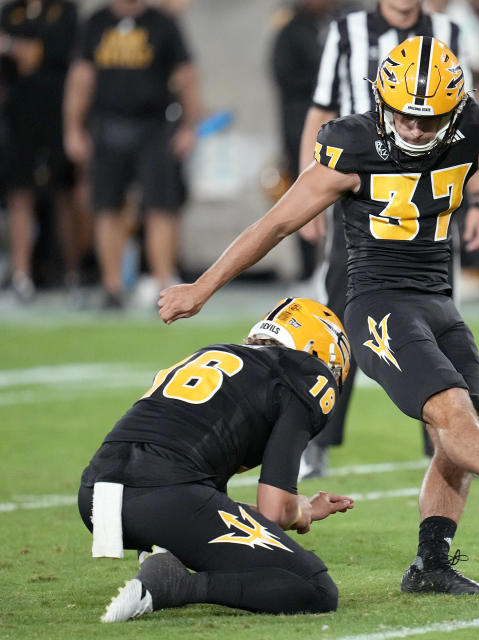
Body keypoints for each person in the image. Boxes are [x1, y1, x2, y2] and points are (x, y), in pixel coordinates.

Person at [159, 36, 479, 595]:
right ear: (382, 100)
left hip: (441, 302)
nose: (416, 130)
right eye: (405, 116)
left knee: (460, 432)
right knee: (449, 411)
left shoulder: (469, 128)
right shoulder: (351, 145)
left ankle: (431, 564)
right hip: (377, 303)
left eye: (429, 119)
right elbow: (274, 224)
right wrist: (202, 288)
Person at [78, 297, 355, 622]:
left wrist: (298, 506)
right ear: (321, 354)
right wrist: (297, 511)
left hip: (96, 497)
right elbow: (274, 510)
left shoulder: (217, 356)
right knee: (315, 588)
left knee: (189, 507)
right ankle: (176, 585)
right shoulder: (306, 375)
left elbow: (210, 506)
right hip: (163, 496)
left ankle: (162, 552)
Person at [296, 0, 479, 477]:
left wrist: (478, 200)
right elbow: (320, 108)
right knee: (337, 323)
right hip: (364, 198)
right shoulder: (346, 31)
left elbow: (472, 127)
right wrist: (308, 191)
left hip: (431, 203)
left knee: (436, 323)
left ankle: (446, 443)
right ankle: (319, 438)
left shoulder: (448, 32)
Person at [63, 0, 202, 309]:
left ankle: (164, 286)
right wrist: (73, 127)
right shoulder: (97, 22)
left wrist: (189, 126)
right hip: (107, 125)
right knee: (107, 208)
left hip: (154, 127)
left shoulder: (162, 23)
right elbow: (81, 78)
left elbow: (186, 75)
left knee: (160, 208)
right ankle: (112, 287)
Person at [1, 0, 90, 302]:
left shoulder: (65, 11)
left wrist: (11, 44)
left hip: (56, 113)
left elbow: (45, 54)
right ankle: (20, 274)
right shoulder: (11, 11)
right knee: (19, 193)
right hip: (18, 116)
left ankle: (72, 273)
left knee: (65, 193)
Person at [270, 0, 339, 282]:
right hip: (301, 127)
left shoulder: (347, 23)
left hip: (342, 124)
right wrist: (324, 84)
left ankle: (339, 264)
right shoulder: (290, 30)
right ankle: (310, 267)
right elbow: (283, 77)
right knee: (303, 193)